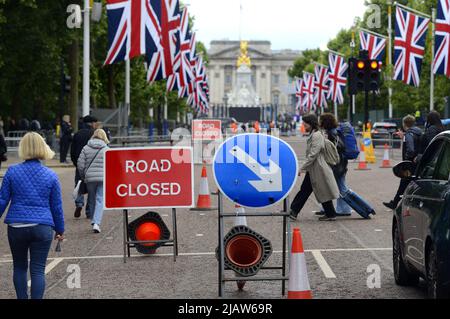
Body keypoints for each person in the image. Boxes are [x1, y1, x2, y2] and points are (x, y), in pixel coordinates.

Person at [0, 132, 65, 299]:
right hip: (42, 226)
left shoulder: (12, 172)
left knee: (19, 267)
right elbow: (56, 207)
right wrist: (60, 229)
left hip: (17, 226)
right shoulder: (51, 175)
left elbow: (2, 200)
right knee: (37, 270)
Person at [319, 113, 376, 219]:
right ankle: (342, 209)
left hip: (337, 165)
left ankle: (366, 209)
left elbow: (339, 147)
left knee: (342, 189)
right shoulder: (334, 131)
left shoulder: (333, 133)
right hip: (341, 163)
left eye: (321, 121)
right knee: (340, 188)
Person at [290, 113, 340, 222]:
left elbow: (313, 154)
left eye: (305, 123)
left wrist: (302, 168)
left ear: (311, 124)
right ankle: (330, 214)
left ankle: (293, 211)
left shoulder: (316, 135)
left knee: (310, 190)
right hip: (315, 168)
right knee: (313, 190)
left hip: (318, 168)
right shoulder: (315, 134)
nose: (304, 125)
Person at [384, 115, 423, 210]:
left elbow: (410, 149)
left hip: (409, 164)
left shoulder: (409, 134)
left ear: (405, 124)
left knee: (404, 183)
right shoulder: (418, 132)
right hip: (417, 163)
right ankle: (396, 202)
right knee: (408, 184)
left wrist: (407, 159)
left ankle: (395, 203)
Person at [77, 129, 109, 233]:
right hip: (103, 178)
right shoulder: (106, 149)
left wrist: (83, 175)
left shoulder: (86, 148)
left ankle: (92, 218)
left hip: (90, 178)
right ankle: (96, 222)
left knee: (91, 198)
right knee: (100, 200)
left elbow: (80, 164)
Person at [71, 115, 98, 219]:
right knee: (92, 188)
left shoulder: (77, 134)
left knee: (79, 184)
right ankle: (89, 211)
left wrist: (76, 163)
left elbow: (72, 151)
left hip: (79, 163)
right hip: (92, 164)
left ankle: (79, 203)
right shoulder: (94, 134)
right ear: (91, 123)